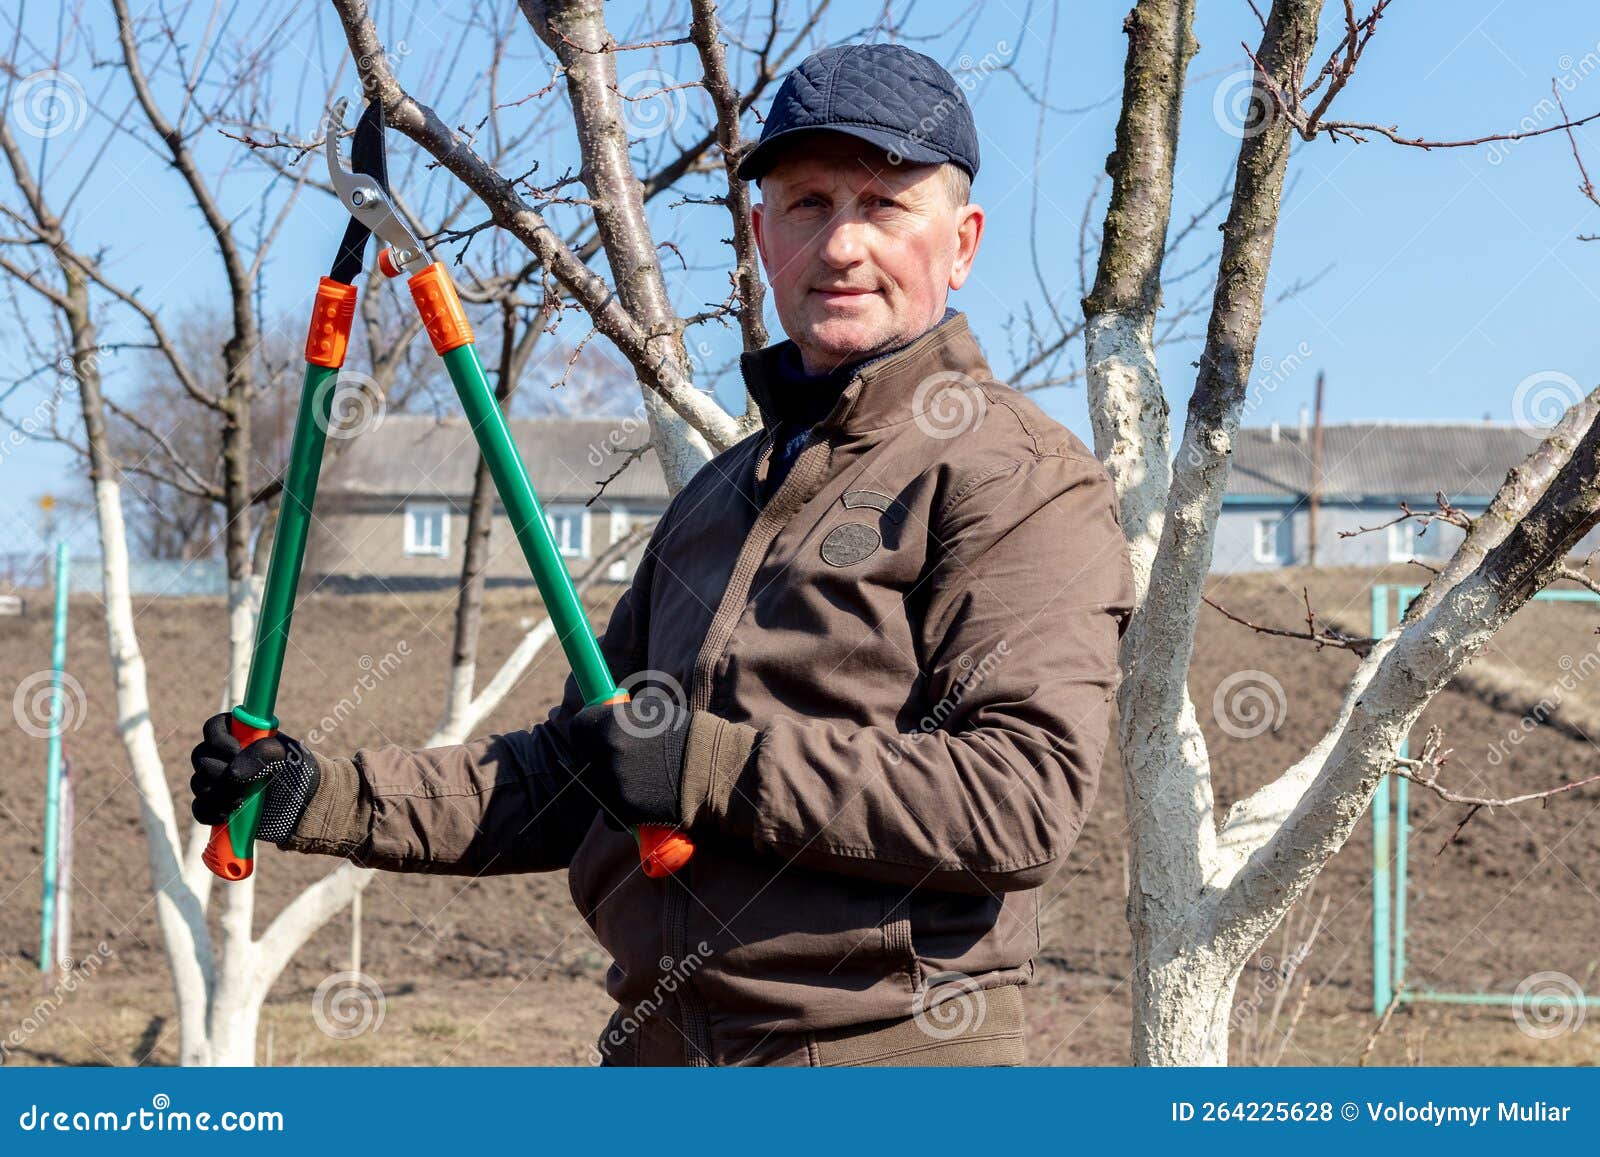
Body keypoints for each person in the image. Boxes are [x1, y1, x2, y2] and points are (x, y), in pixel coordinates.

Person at [191, 42, 1134, 1067]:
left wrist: (707, 764)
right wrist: (317, 792)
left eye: (882, 204)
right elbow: (575, 769)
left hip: (885, 1060)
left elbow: (1020, 798)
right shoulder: (721, 494)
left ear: (961, 244)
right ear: (763, 232)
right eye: (808, 203)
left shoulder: (1017, 475)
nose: (840, 245)